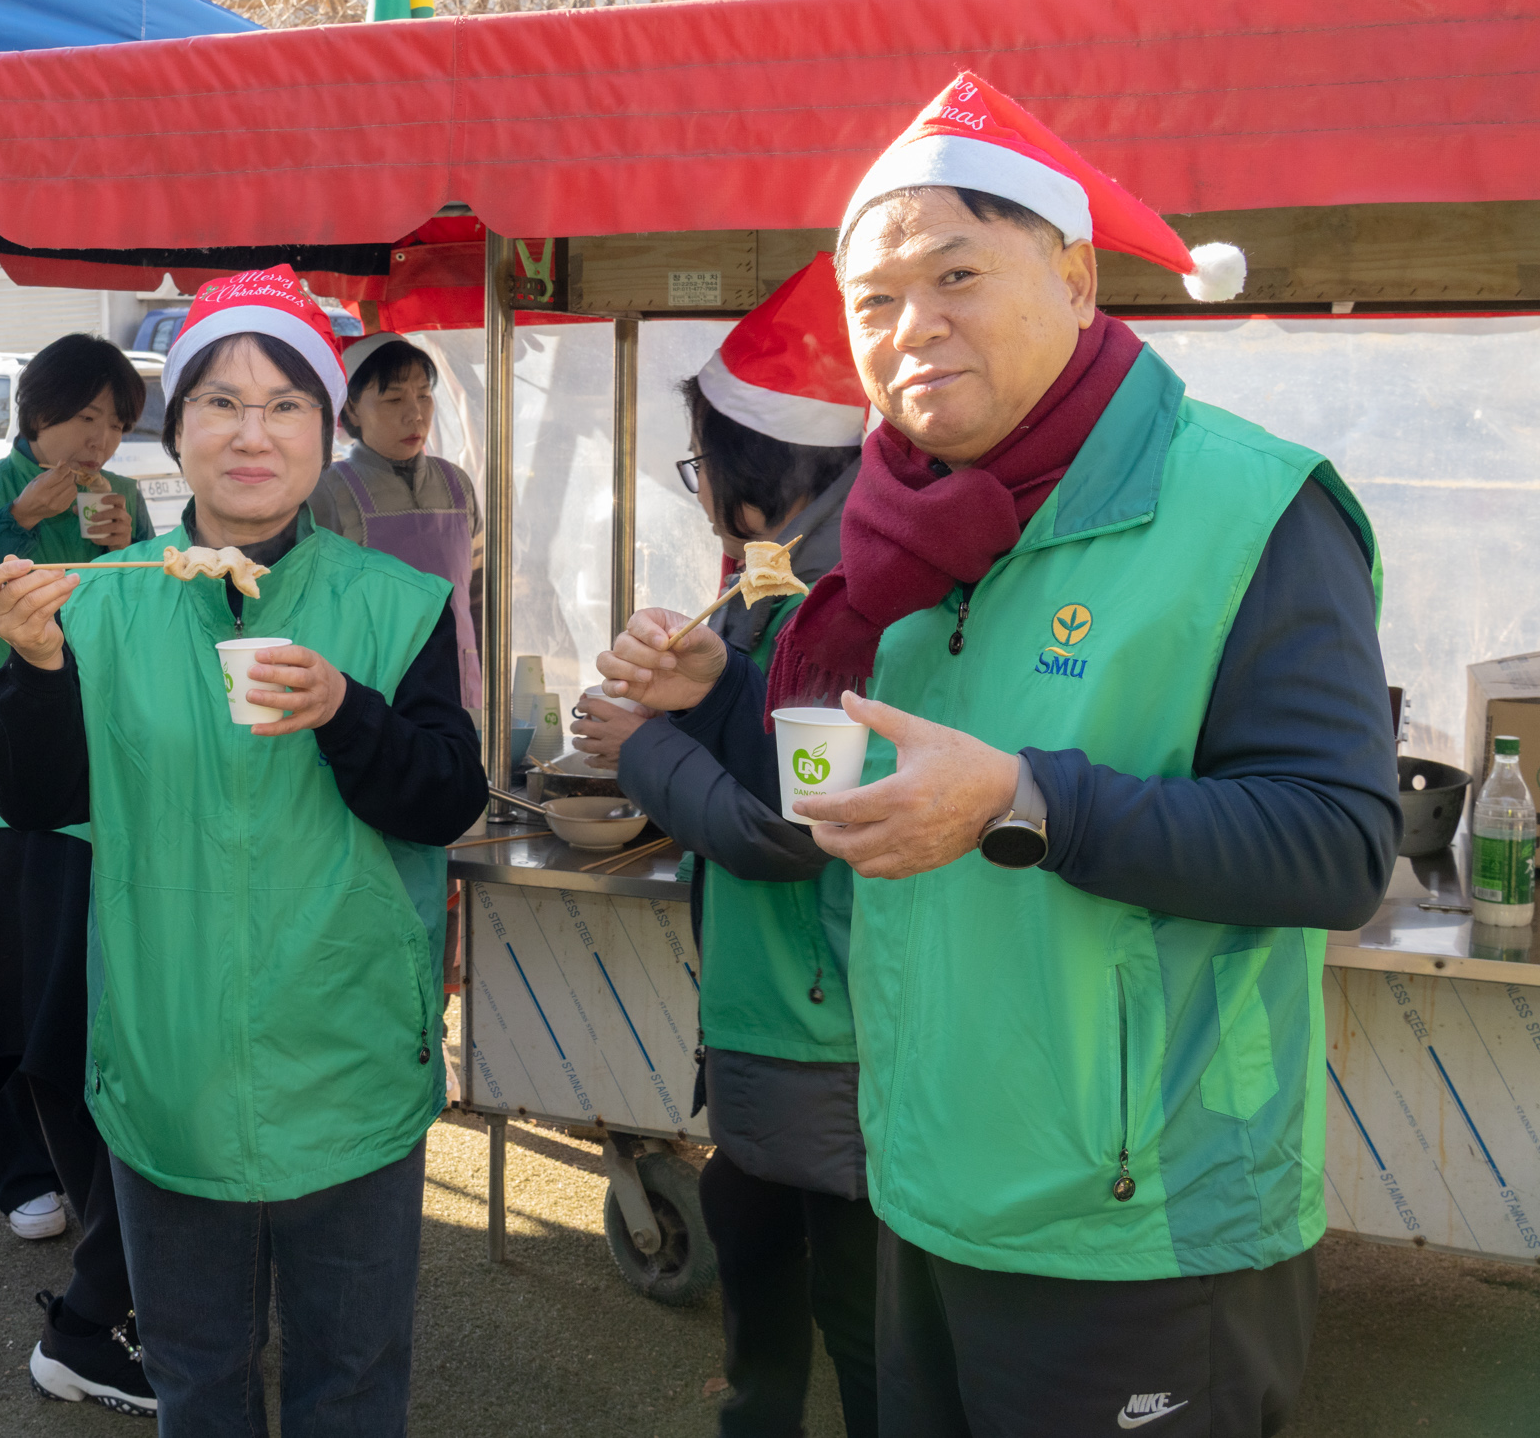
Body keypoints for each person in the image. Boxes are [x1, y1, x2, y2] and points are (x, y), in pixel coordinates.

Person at [594, 73, 1397, 1437]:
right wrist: (722, 687)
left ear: (1078, 278)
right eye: (876, 301)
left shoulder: (1249, 505)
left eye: (957, 272)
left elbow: (1336, 844)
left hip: (1138, 1225)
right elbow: (846, 797)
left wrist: (1026, 799)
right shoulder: (894, 544)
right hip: (923, 1184)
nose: (915, 328)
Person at [0, 266, 486, 1436]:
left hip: (349, 1054)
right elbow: (37, 797)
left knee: (351, 1383)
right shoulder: (101, 600)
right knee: (198, 1379)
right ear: (177, 429)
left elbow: (445, 797)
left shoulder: (398, 601)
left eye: (286, 404)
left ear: (326, 428)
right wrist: (36, 670)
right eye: (219, 402)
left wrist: (346, 712)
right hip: (170, 1063)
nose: (251, 434)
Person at [571, 255, 875, 1438]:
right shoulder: (778, 581)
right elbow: (761, 742)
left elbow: (792, 834)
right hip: (777, 1005)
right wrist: (702, 689)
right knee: (757, 1232)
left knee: (847, 1287)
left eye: (703, 462)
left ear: (758, 466)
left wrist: (640, 747)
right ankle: (759, 1408)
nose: (698, 488)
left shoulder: (838, 595)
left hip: (825, 1010)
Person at [0, 332, 155, 1412]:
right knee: (8, 969)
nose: (97, 440)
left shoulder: (124, 501)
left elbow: (150, 611)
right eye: (81, 417)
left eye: (112, 422)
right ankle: (22, 1171)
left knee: (75, 975)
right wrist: (24, 521)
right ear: (36, 412)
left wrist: (125, 542)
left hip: (112, 770)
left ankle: (64, 1170)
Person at [306, 331, 482, 707]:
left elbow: (479, 593)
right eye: (393, 398)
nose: (415, 413)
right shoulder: (328, 492)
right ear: (351, 409)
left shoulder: (456, 485)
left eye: (423, 395)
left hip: (457, 683)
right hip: (370, 686)